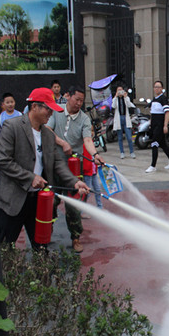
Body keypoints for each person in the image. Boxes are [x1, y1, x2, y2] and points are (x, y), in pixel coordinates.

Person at [0, 87, 89, 251]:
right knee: (4, 247)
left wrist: (74, 182)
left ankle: (41, 267)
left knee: (41, 246)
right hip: (13, 200)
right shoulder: (12, 127)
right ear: (34, 107)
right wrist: (30, 177)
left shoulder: (47, 134)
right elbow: (3, 161)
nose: (51, 114)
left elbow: (57, 162)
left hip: (38, 200)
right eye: (48, 109)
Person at [47, 86, 105, 253]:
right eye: (76, 99)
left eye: (81, 101)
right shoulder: (56, 111)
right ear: (68, 96)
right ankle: (46, 232)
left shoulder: (84, 119)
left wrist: (95, 154)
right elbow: (47, 130)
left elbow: (87, 140)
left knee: (74, 203)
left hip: (74, 166)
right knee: (51, 201)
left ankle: (76, 237)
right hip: (54, 164)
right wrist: (62, 143)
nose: (79, 103)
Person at [145, 80, 169, 173]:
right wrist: (150, 124)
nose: (156, 89)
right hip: (154, 125)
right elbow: (152, 114)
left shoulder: (163, 99)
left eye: (158, 87)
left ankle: (153, 165)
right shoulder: (154, 99)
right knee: (163, 144)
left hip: (160, 125)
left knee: (154, 144)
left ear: (162, 88)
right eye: (155, 87)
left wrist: (165, 125)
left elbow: (167, 112)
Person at [111, 85, 136, 159]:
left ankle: (131, 152)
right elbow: (113, 106)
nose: (120, 92)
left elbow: (129, 105)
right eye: (118, 90)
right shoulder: (115, 99)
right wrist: (116, 97)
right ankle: (122, 152)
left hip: (125, 118)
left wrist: (125, 97)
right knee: (120, 138)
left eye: (121, 90)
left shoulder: (126, 98)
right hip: (119, 119)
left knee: (129, 137)